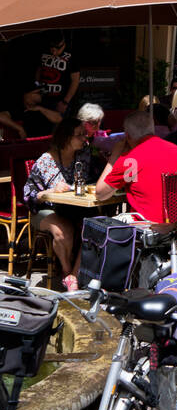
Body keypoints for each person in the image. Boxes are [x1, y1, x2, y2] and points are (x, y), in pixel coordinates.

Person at [23, 117, 92, 291]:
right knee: (63, 231)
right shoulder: (47, 161)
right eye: (79, 135)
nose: (84, 138)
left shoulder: (83, 156)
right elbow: (29, 196)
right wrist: (48, 192)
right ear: (66, 137)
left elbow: (91, 181)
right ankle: (67, 271)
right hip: (43, 210)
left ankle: (74, 276)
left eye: (84, 134)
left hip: (74, 208)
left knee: (92, 228)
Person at [95, 110, 177, 222]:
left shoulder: (131, 160)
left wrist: (115, 155)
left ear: (127, 136)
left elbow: (100, 193)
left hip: (148, 227)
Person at [34, 33, 79, 114]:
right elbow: (39, 69)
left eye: (57, 48)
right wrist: (37, 85)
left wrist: (65, 102)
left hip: (60, 101)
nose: (54, 52)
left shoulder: (72, 56)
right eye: (52, 48)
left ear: (63, 43)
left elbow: (75, 81)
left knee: (58, 124)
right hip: (43, 97)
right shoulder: (44, 51)